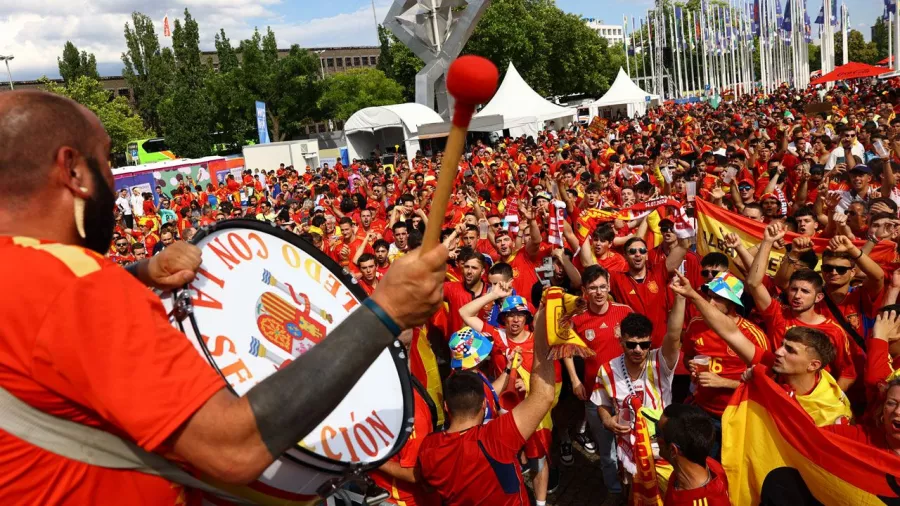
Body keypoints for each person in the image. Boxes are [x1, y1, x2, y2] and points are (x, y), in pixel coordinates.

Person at [0, 90, 450, 503]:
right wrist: (385, 311)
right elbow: (232, 448)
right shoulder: (80, 286)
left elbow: (46, 325)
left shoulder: (30, 277)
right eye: (105, 161)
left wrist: (138, 274)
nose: (114, 184)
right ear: (73, 171)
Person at [672, 272, 852, 426]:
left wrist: (726, 383)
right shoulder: (772, 365)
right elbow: (730, 333)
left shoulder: (829, 409)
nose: (779, 352)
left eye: (790, 350)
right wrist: (692, 295)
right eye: (782, 346)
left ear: (813, 365)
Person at [416, 308, 556, 506]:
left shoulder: (430, 448)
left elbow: (491, 390)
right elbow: (543, 396)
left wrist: (508, 370)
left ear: (447, 407)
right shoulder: (496, 439)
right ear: (482, 404)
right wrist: (544, 336)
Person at [591, 292, 683, 503]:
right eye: (631, 344)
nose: (638, 350)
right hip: (629, 450)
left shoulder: (660, 362)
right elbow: (601, 403)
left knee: (667, 497)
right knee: (633, 494)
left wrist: (681, 297)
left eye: (644, 344)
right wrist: (607, 420)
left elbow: (675, 334)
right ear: (621, 340)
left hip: (662, 450)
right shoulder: (607, 370)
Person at [746, 222, 857, 391]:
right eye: (794, 290)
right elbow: (754, 283)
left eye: (805, 291)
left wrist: (829, 401)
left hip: (813, 405)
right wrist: (767, 241)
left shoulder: (834, 331)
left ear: (818, 297)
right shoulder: (777, 314)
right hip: (777, 395)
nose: (797, 296)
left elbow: (848, 373)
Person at [680, 272, 768, 458]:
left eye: (718, 299)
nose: (710, 303)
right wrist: (691, 366)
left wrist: (723, 382)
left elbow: (767, 384)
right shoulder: (695, 324)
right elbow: (687, 356)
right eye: (709, 296)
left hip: (739, 415)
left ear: (733, 303)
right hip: (702, 411)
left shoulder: (752, 335)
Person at [657, 404, 731, 505]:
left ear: (673, 450)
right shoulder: (709, 464)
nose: (655, 438)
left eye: (658, 433)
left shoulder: (703, 501)